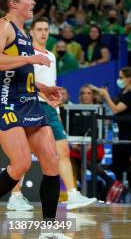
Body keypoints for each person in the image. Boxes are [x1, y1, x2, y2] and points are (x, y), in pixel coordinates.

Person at [7, 18, 96, 212]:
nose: (43, 33)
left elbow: (50, 83)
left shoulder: (51, 55)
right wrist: (44, 93)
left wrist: (55, 99)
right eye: (39, 29)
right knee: (24, 157)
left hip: (51, 110)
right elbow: (25, 83)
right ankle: (15, 195)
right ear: (31, 32)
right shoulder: (27, 54)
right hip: (32, 106)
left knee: (62, 151)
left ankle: (72, 194)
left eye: (46, 29)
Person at [0, 0, 64, 228]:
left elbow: (20, 73)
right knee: (22, 163)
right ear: (13, 3)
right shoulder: (4, 26)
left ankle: (49, 229)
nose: (33, 2)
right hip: (7, 104)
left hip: (30, 102)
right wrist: (30, 58)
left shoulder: (25, 34)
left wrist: (43, 88)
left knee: (51, 160)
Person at [92, 67, 131, 201]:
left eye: (121, 77)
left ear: (129, 79)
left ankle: (128, 192)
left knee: (124, 165)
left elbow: (115, 109)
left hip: (127, 133)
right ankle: (117, 192)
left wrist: (106, 95)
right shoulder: (123, 92)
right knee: (116, 165)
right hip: (118, 132)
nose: (119, 80)